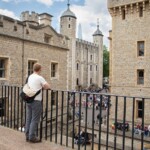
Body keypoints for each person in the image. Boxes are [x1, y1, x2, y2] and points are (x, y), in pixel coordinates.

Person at [25, 63, 50, 143]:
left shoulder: (30, 76)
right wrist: (43, 86)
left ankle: (27, 135)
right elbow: (48, 86)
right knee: (35, 119)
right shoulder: (40, 78)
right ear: (40, 69)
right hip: (36, 101)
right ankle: (32, 137)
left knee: (29, 118)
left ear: (33, 69)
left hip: (28, 99)